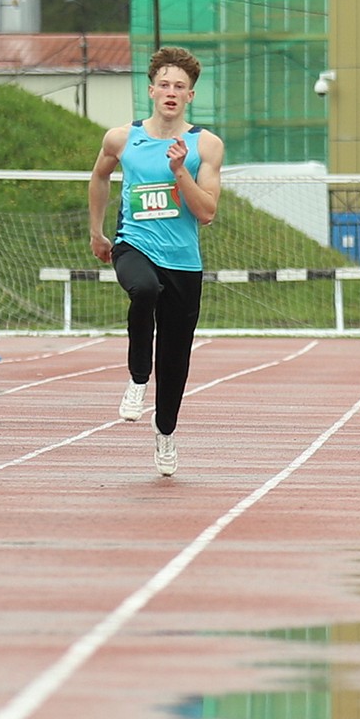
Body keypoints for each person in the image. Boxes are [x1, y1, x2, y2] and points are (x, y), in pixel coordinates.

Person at [88, 46, 224, 479]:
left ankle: (165, 431)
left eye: (179, 87)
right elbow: (99, 175)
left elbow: (207, 212)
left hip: (183, 261)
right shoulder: (121, 138)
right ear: (151, 91)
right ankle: (136, 377)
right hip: (134, 244)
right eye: (164, 85)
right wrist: (97, 231)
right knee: (143, 289)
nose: (170, 92)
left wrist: (181, 171)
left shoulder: (205, 145)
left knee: (175, 359)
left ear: (190, 96)